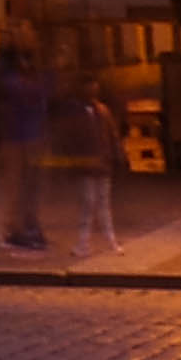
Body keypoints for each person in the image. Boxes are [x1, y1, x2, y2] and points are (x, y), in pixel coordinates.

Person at [0, 30, 52, 253]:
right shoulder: (12, 83)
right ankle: (17, 228)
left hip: (32, 135)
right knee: (17, 185)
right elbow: (30, 92)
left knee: (33, 185)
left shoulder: (29, 81)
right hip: (16, 137)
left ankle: (30, 224)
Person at [55, 76, 120, 257]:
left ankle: (109, 241)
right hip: (86, 166)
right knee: (88, 203)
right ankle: (84, 242)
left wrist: (115, 156)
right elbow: (69, 140)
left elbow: (112, 135)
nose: (93, 93)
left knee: (102, 204)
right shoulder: (77, 113)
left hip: (101, 164)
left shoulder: (102, 111)